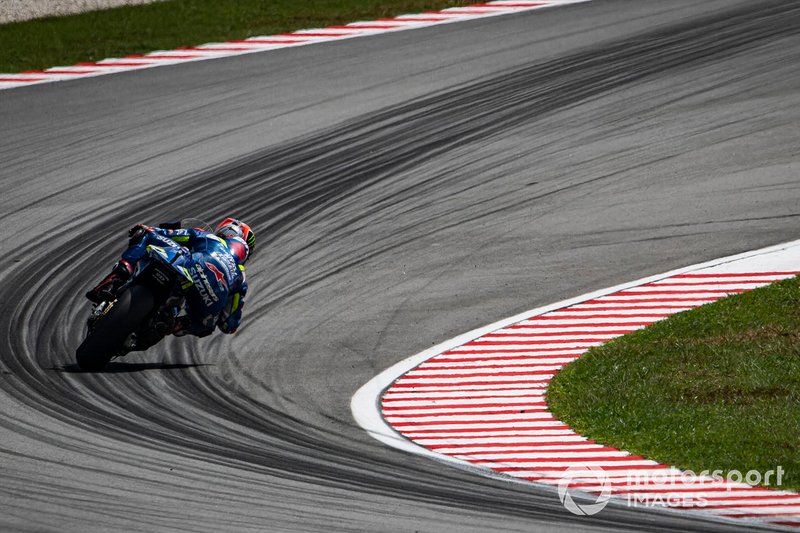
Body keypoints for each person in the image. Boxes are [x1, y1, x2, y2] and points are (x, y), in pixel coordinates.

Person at [86, 218, 255, 337]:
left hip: (191, 266)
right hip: (206, 301)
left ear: (224, 231)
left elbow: (166, 234)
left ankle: (118, 276)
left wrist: (147, 230)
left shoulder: (208, 237)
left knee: (145, 235)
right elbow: (229, 325)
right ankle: (171, 324)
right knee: (204, 326)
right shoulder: (240, 277)